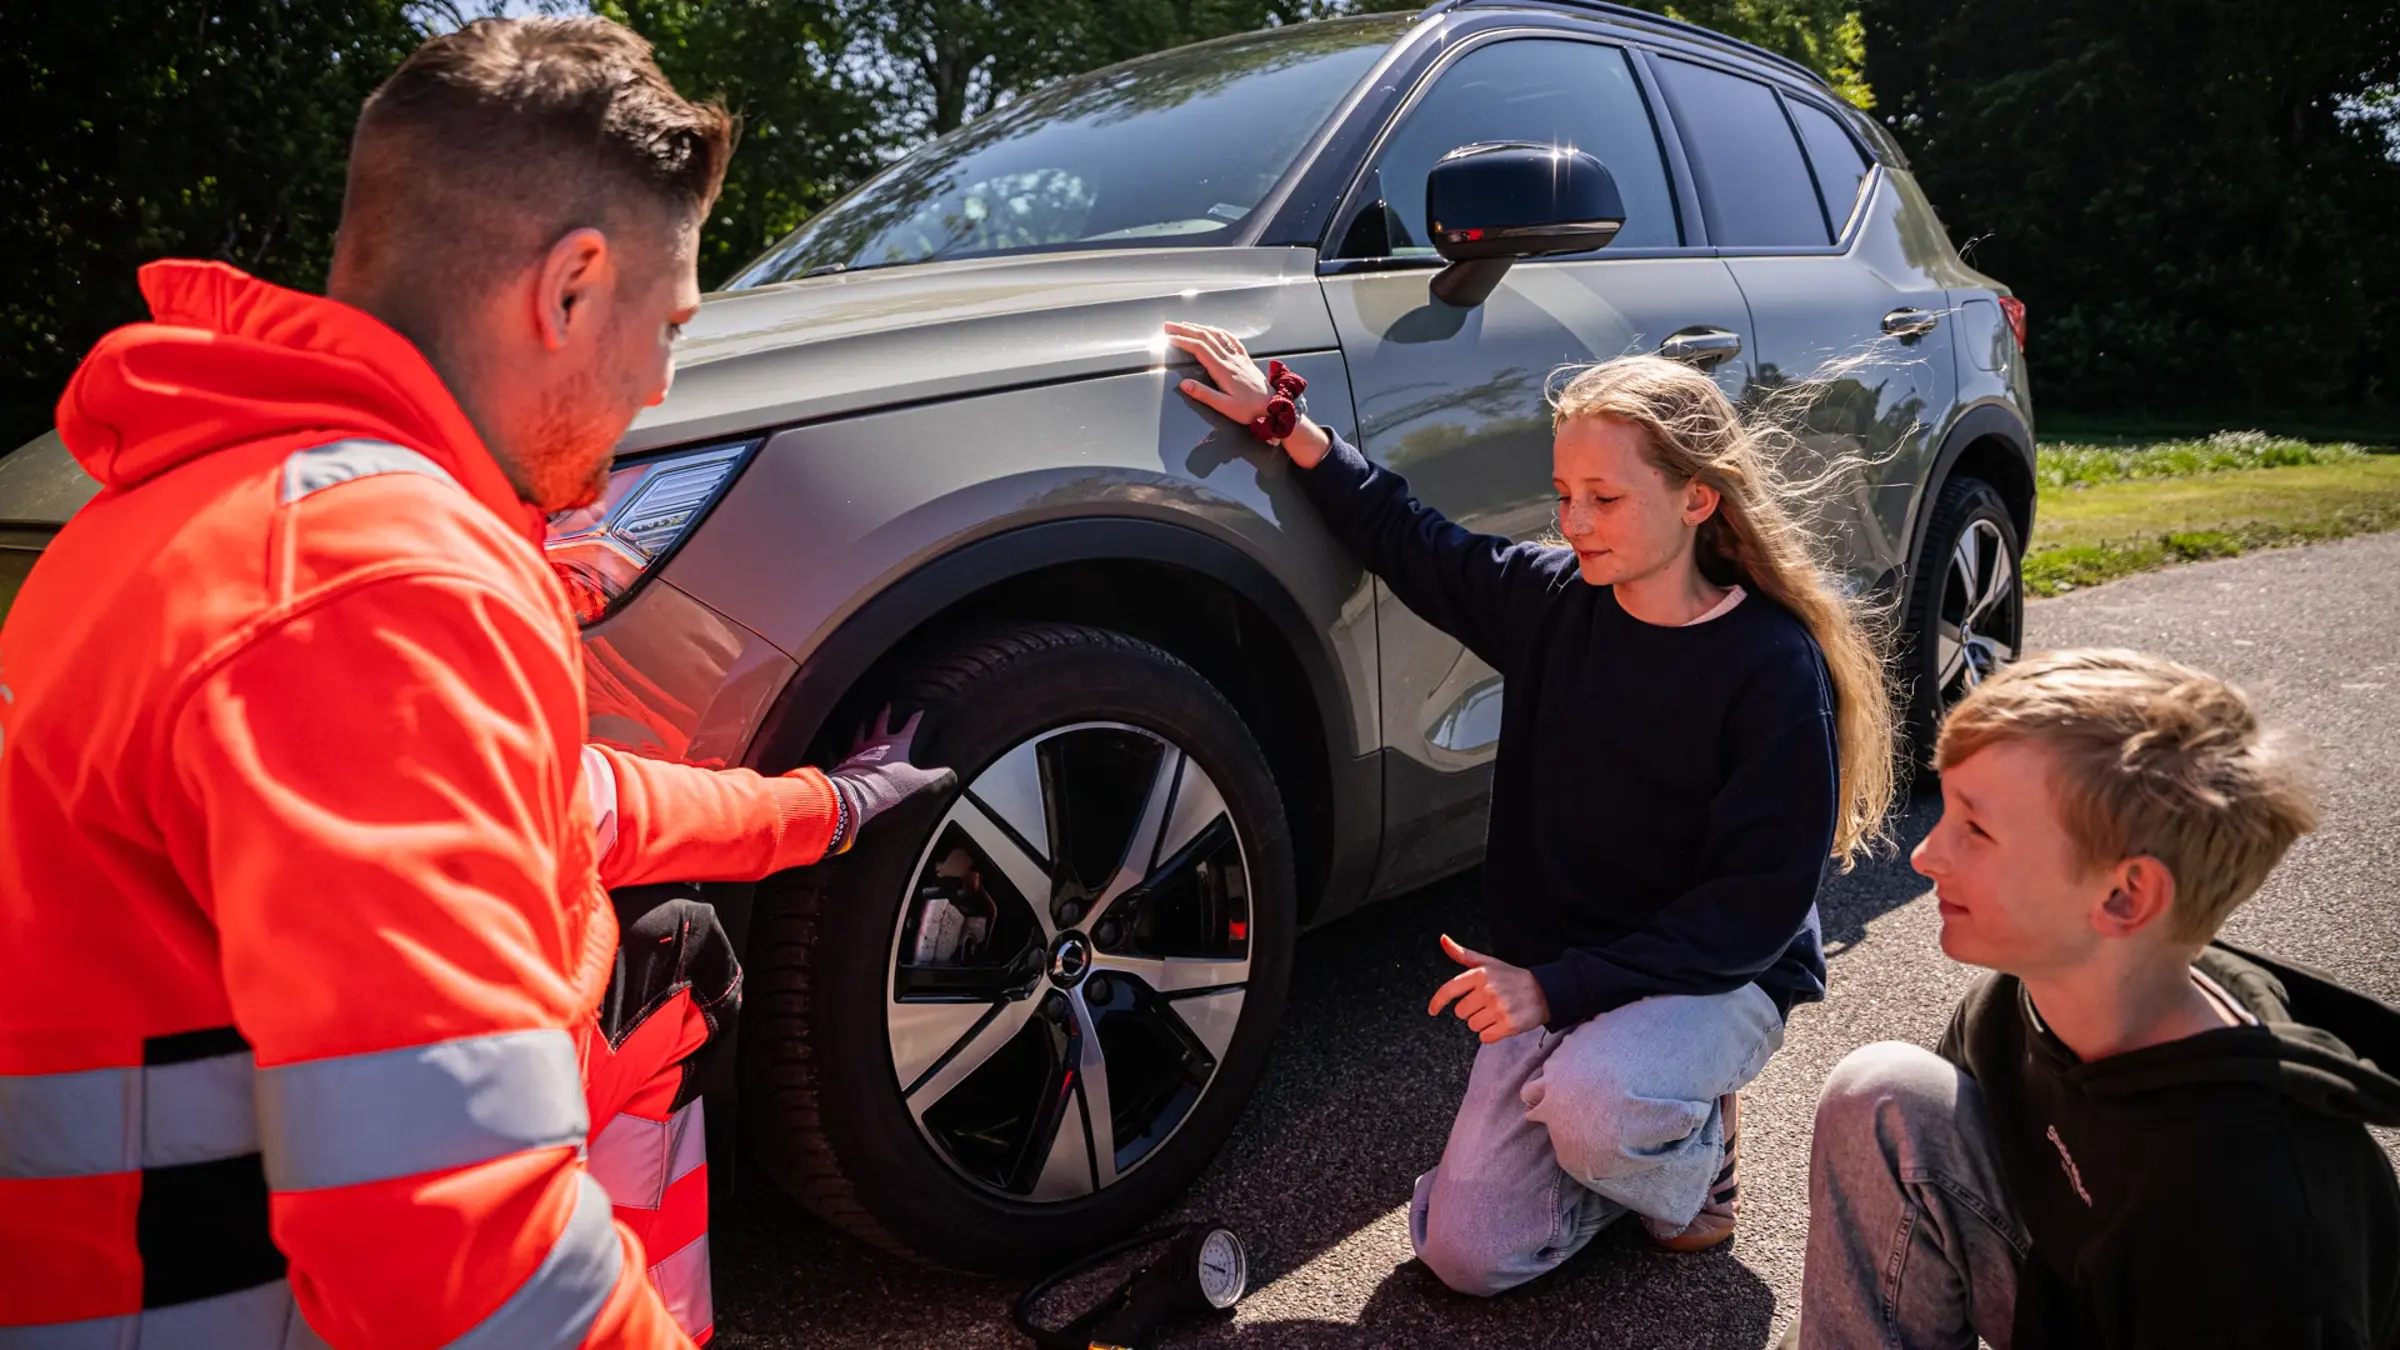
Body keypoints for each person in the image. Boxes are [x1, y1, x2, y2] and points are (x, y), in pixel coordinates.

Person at [0, 19, 948, 1349]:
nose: (660, 384)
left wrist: (825, 808)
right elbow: (462, 1262)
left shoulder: (202, 512)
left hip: (115, 1258)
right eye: (669, 325)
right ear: (570, 291)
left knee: (664, 962)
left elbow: (562, 804)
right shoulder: (383, 587)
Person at [1169, 322, 1896, 1294]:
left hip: (1717, 977)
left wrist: (1555, 993)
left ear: (1697, 498)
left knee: (1596, 1108)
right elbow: (1409, 539)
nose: (1574, 521)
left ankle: (1687, 1148)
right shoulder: (1551, 603)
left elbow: (1753, 912)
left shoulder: (1769, 664)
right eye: (1564, 495)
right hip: (1564, 971)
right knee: (1465, 1256)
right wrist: (1286, 425)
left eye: (1605, 497)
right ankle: (1622, 1133)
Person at [1798, 649, 2400, 1349]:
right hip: (2072, 1294)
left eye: (1976, 829)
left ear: (2124, 896)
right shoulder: (2014, 1005)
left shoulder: (2258, 1220)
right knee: (1884, 1095)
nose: (1925, 856)